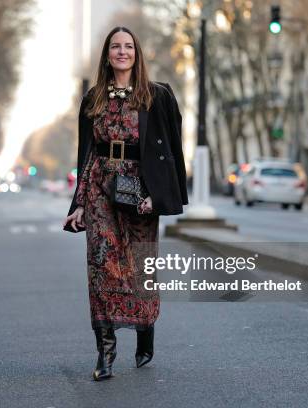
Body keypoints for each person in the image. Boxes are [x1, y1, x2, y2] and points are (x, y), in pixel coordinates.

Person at [63, 26, 188, 381]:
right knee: (101, 266)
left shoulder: (157, 95)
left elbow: (171, 150)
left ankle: (145, 328)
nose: (122, 52)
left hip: (139, 190)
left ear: (137, 53)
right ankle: (105, 352)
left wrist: (160, 196)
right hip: (101, 185)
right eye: (115, 47)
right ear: (107, 55)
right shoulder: (93, 98)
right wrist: (79, 203)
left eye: (128, 46)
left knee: (140, 268)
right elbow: (85, 152)